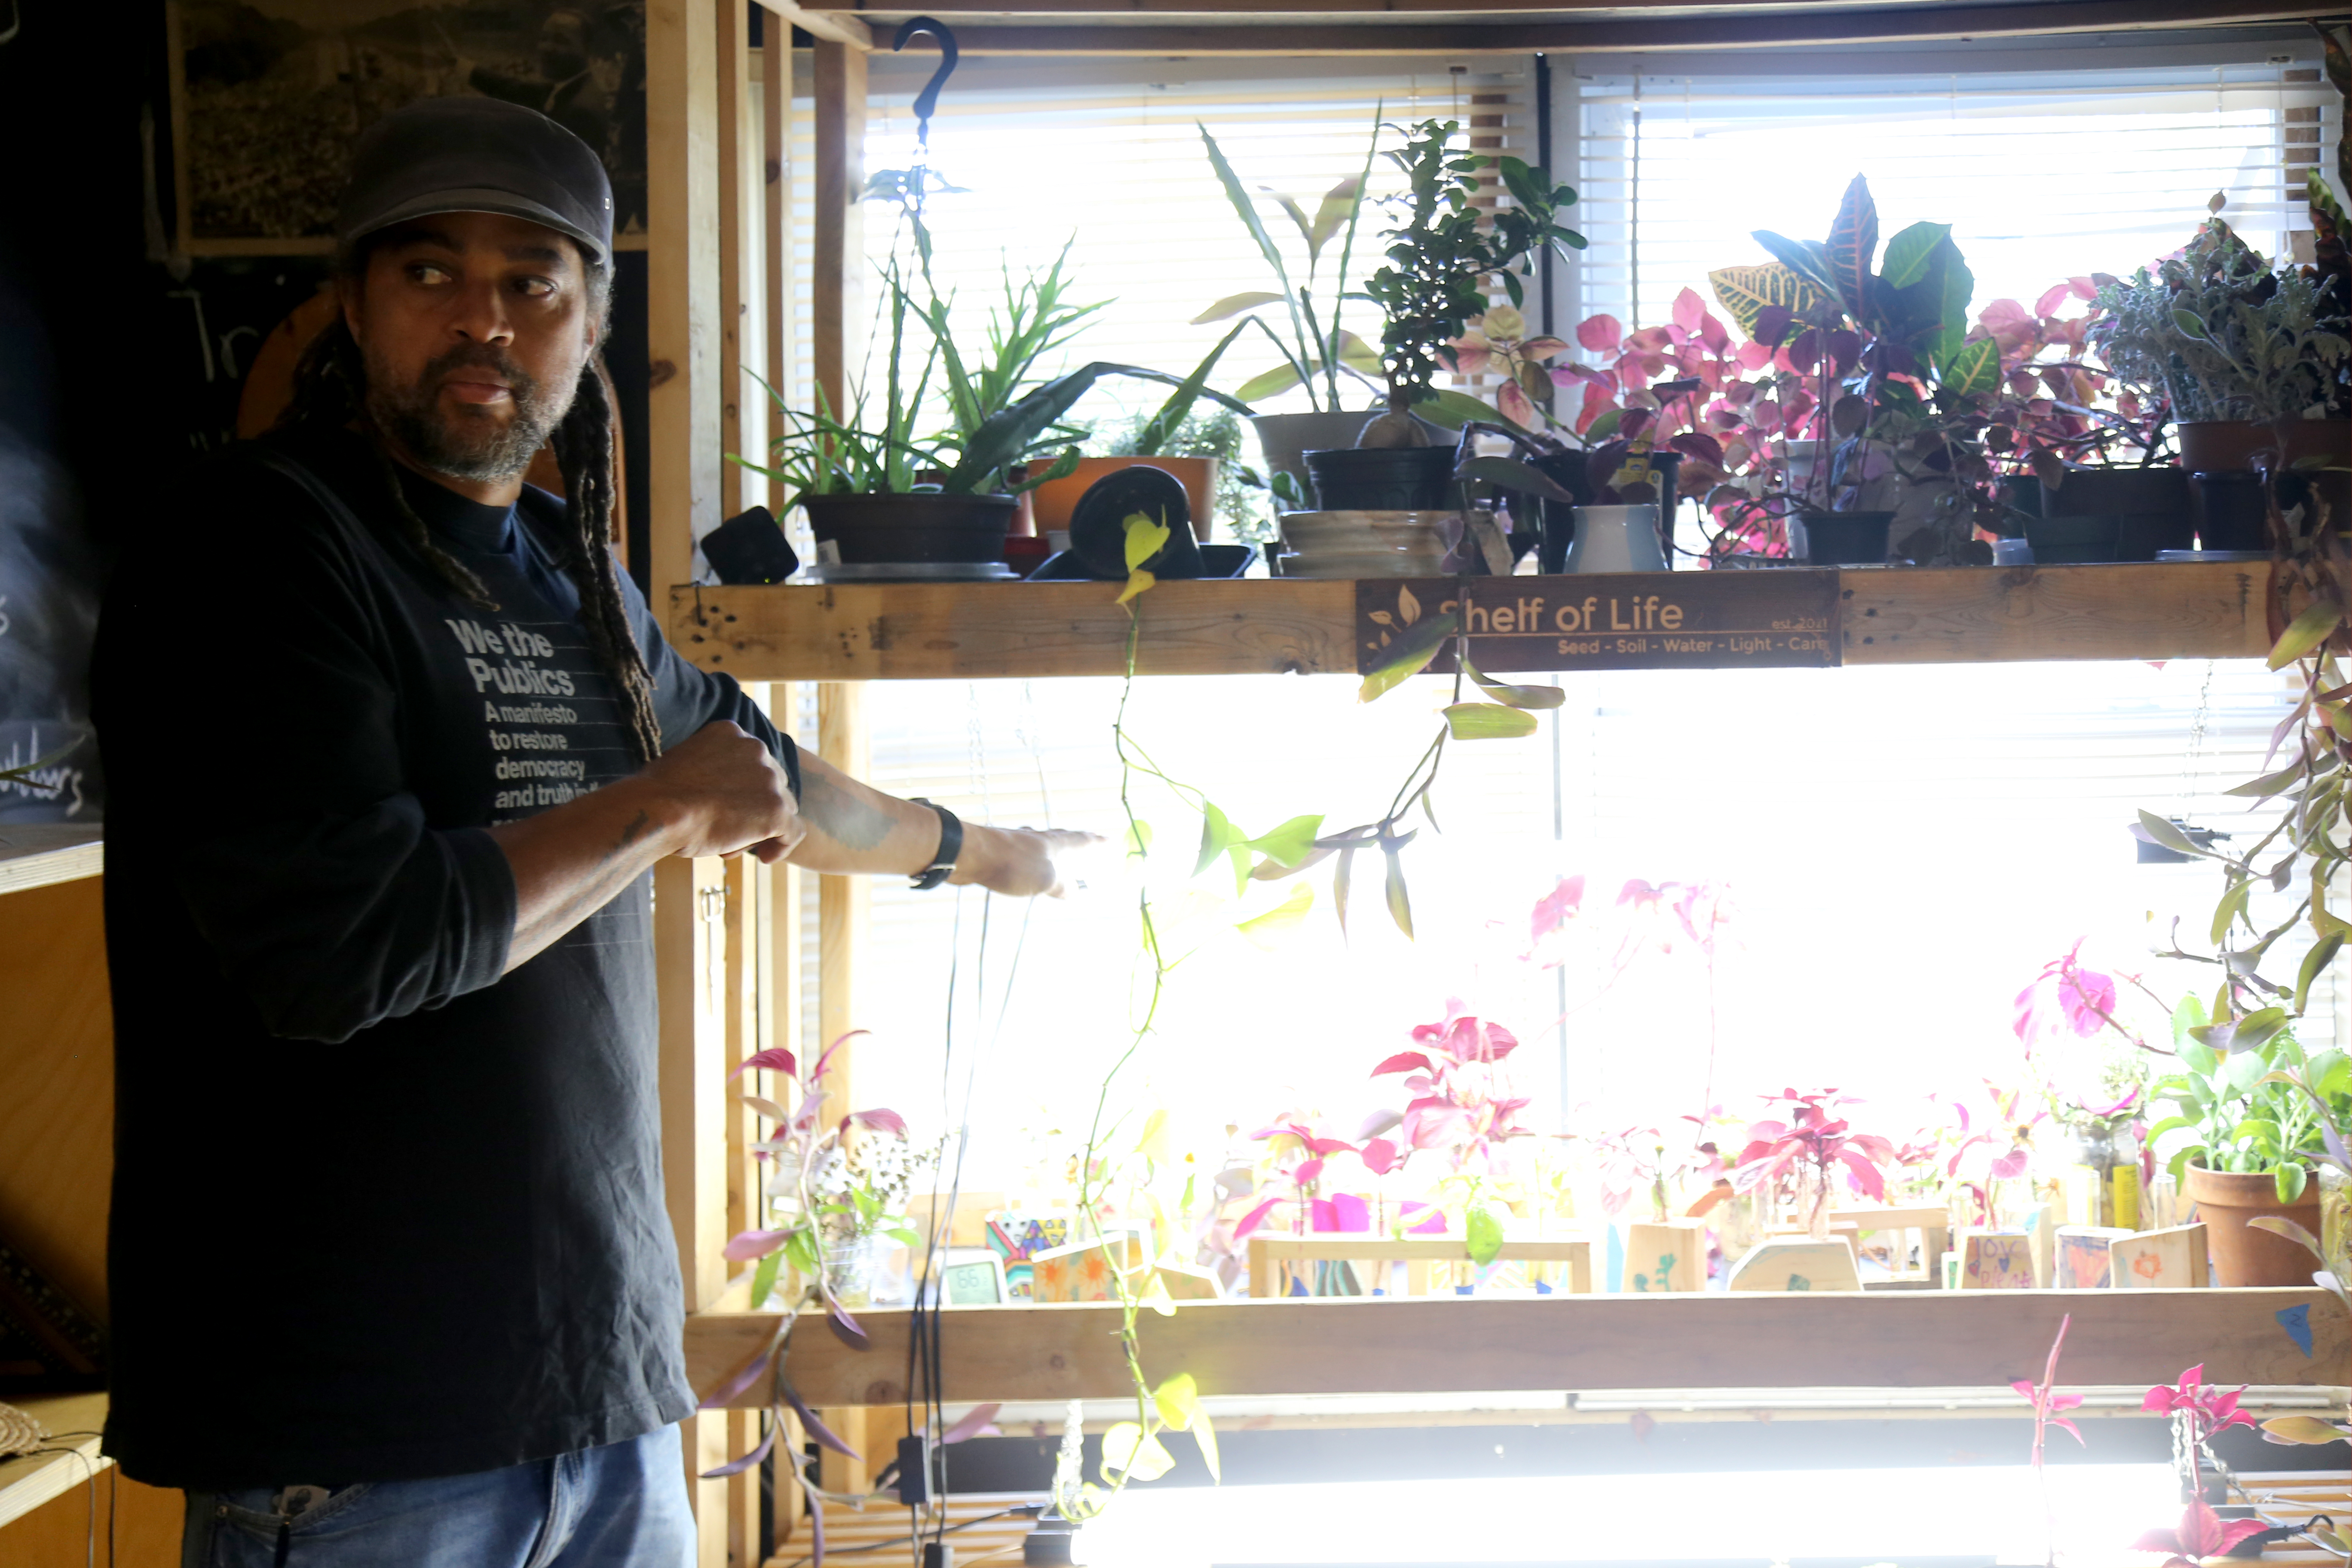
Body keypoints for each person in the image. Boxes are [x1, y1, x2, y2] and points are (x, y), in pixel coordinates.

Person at [90, 97, 1085, 1568]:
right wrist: (661, 805)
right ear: (352, 306)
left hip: (601, 1409)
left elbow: (764, 782)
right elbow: (345, 949)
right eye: (430, 275)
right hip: (359, 1446)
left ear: (588, 320)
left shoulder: (574, 575)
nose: (482, 319)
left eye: (531, 282)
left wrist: (985, 851)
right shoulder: (258, 546)